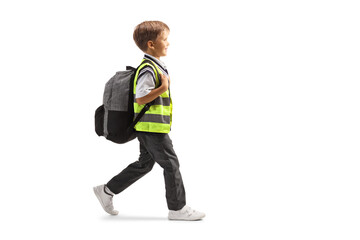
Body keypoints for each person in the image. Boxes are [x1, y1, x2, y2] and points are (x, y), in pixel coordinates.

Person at [93, 20, 205, 221]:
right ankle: (177, 208)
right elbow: (141, 97)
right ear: (151, 44)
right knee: (171, 164)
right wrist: (163, 87)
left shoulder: (154, 66)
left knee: (145, 164)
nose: (168, 43)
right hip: (151, 128)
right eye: (165, 39)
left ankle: (107, 190)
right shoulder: (148, 68)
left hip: (149, 126)